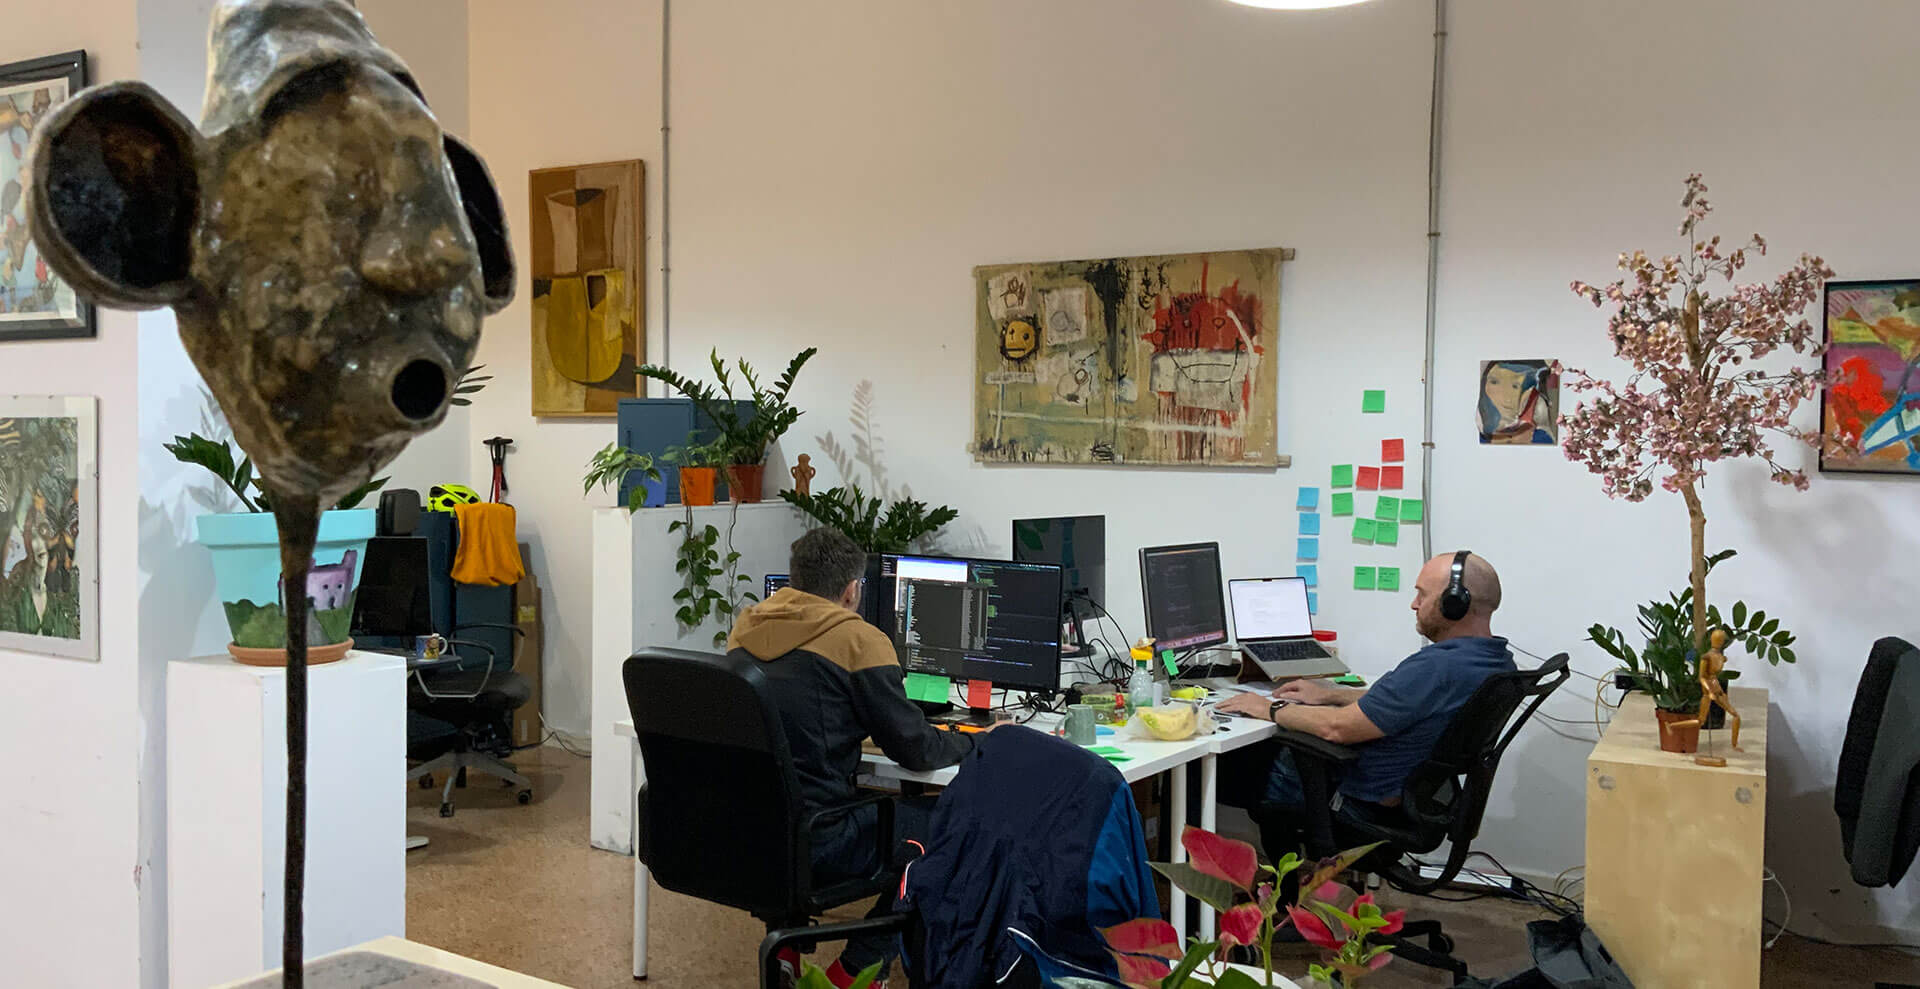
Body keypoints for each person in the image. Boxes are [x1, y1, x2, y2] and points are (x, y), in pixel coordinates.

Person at [727, 527, 987, 987]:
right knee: (959, 824)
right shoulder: (857, 640)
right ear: (852, 590)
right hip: (825, 840)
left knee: (791, 795)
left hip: (749, 832)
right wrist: (978, 740)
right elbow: (916, 750)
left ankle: (785, 953)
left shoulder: (745, 629)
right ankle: (857, 969)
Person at [1220, 551, 1516, 812]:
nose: (1414, 604)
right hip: (1410, 798)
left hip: (1354, 797)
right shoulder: (1495, 661)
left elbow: (1336, 728)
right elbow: (1407, 704)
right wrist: (1330, 695)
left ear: (1455, 604)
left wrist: (1268, 709)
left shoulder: (1437, 666)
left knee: (1208, 770)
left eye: (1422, 595)